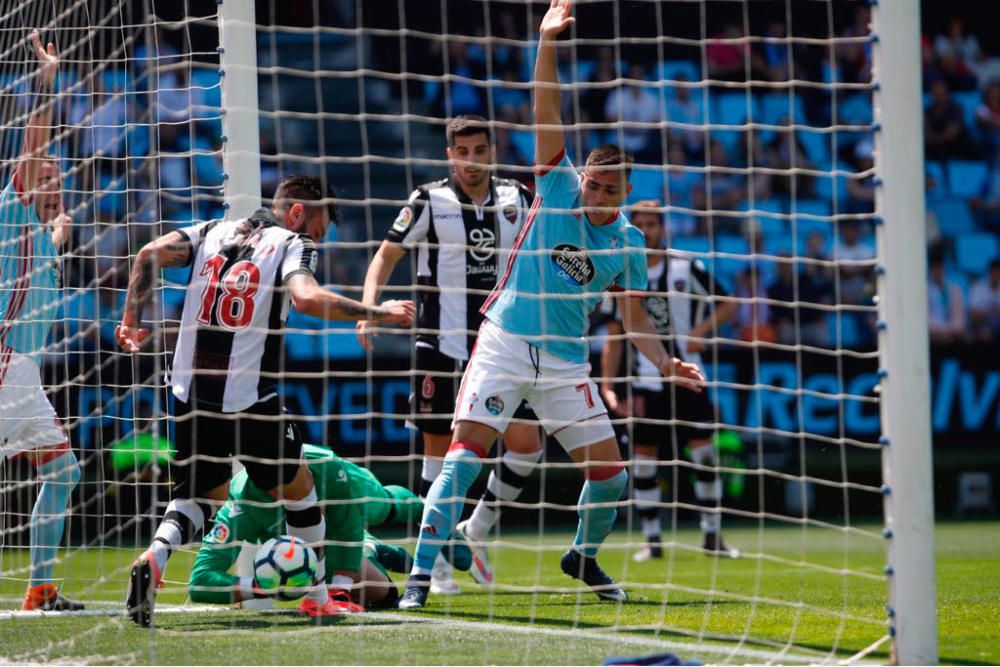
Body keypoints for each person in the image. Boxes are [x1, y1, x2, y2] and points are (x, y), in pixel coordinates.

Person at [397, 0, 704, 610]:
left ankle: (582, 558)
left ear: (627, 192)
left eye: (612, 189)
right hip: (505, 342)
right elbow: (548, 107)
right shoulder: (556, 183)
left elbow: (635, 317)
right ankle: (420, 576)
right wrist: (545, 43)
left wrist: (667, 364)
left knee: (612, 476)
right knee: (461, 464)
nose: (598, 195)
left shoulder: (630, 242)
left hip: (566, 365)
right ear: (582, 179)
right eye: (594, 184)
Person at [115, 175, 414, 625]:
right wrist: (380, 312)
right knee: (301, 489)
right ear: (297, 213)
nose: (316, 242)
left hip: (188, 392)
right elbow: (308, 299)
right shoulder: (291, 242)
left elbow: (148, 254)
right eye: (317, 231)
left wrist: (131, 319)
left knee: (201, 496)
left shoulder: (211, 230)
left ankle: (156, 557)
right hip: (250, 396)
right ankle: (317, 595)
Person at [356, 114, 543, 594]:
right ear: (449, 155)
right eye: (463, 152)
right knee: (439, 457)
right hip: (440, 344)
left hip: (503, 345)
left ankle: (474, 531)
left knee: (527, 444)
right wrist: (370, 305)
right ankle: (434, 561)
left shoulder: (516, 198)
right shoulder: (428, 200)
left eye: (480, 151)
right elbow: (385, 254)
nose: (472, 161)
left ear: (492, 151)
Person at [598, 201, 739, 561]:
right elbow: (615, 334)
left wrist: (700, 331)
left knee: (703, 453)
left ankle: (711, 535)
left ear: (663, 228)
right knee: (644, 459)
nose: (647, 230)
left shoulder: (685, 266)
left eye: (652, 224)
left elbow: (728, 302)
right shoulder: (624, 274)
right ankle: (652, 539)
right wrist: (608, 384)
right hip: (646, 379)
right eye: (640, 224)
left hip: (688, 373)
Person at [0, 30, 83, 612]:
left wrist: (60, 235)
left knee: (65, 472)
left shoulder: (44, 236)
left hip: (24, 376)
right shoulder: (12, 208)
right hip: (5, 369)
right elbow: (33, 146)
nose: (56, 176)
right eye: (48, 171)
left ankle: (41, 587)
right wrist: (48, 81)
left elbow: (49, 243)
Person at [188, 444, 471, 611]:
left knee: (383, 507)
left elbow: (347, 530)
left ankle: (435, 517)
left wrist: (339, 592)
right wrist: (264, 587)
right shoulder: (241, 508)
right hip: (309, 550)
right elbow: (200, 582)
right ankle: (375, 550)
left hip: (346, 517)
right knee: (384, 596)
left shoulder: (328, 470)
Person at [968, 259, 1000, 342]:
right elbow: (972, 316)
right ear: (989, 273)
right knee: (984, 333)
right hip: (981, 327)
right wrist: (991, 312)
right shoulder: (978, 288)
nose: (996, 275)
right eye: (994, 272)